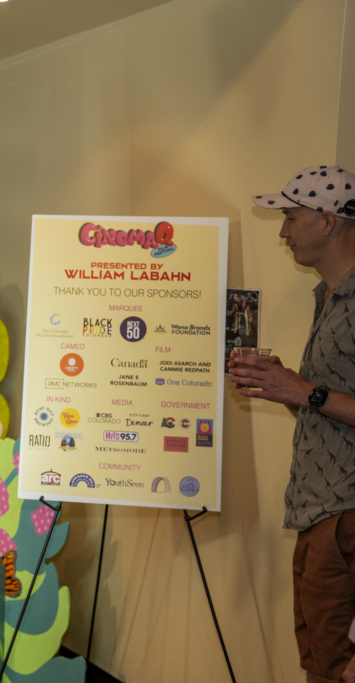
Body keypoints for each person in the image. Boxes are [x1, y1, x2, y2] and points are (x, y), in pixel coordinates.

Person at [230, 166, 355, 683]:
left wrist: (305, 390)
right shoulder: (328, 298)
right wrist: (282, 386)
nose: (282, 232)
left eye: (289, 217)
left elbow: (321, 397)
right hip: (315, 511)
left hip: (345, 514)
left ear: (327, 223)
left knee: (336, 668)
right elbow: (328, 410)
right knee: (319, 662)